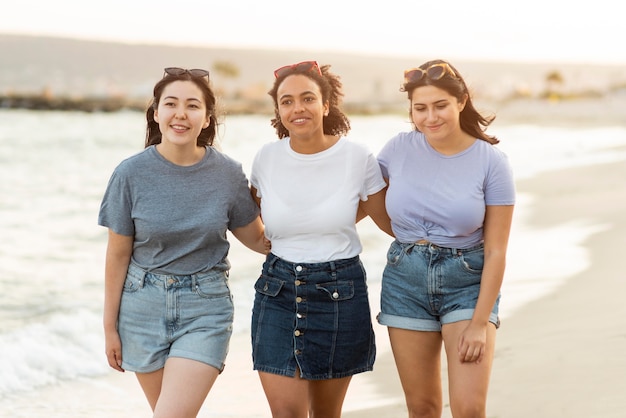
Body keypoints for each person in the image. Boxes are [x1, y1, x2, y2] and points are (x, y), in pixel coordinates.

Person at [98, 67, 268, 418]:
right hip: (141, 307)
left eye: (192, 106)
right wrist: (109, 328)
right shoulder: (129, 174)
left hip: (204, 307)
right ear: (156, 113)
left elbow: (259, 239)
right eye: (170, 104)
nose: (180, 114)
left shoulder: (227, 174)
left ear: (207, 118)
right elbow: (117, 256)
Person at [249, 60, 393, 418]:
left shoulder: (358, 158)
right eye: (287, 101)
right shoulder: (266, 158)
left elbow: (388, 220)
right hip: (277, 291)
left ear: (326, 105)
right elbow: (250, 219)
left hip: (339, 292)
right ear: (278, 110)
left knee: (326, 414)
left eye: (308, 98)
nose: (297, 108)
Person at [376, 59, 515, 418]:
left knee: (468, 409)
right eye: (420, 108)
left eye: (440, 106)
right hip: (404, 280)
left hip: (467, 281)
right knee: (421, 409)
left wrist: (480, 323)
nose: (430, 117)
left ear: (461, 101)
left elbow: (497, 250)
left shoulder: (492, 162)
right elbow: (362, 201)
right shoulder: (397, 149)